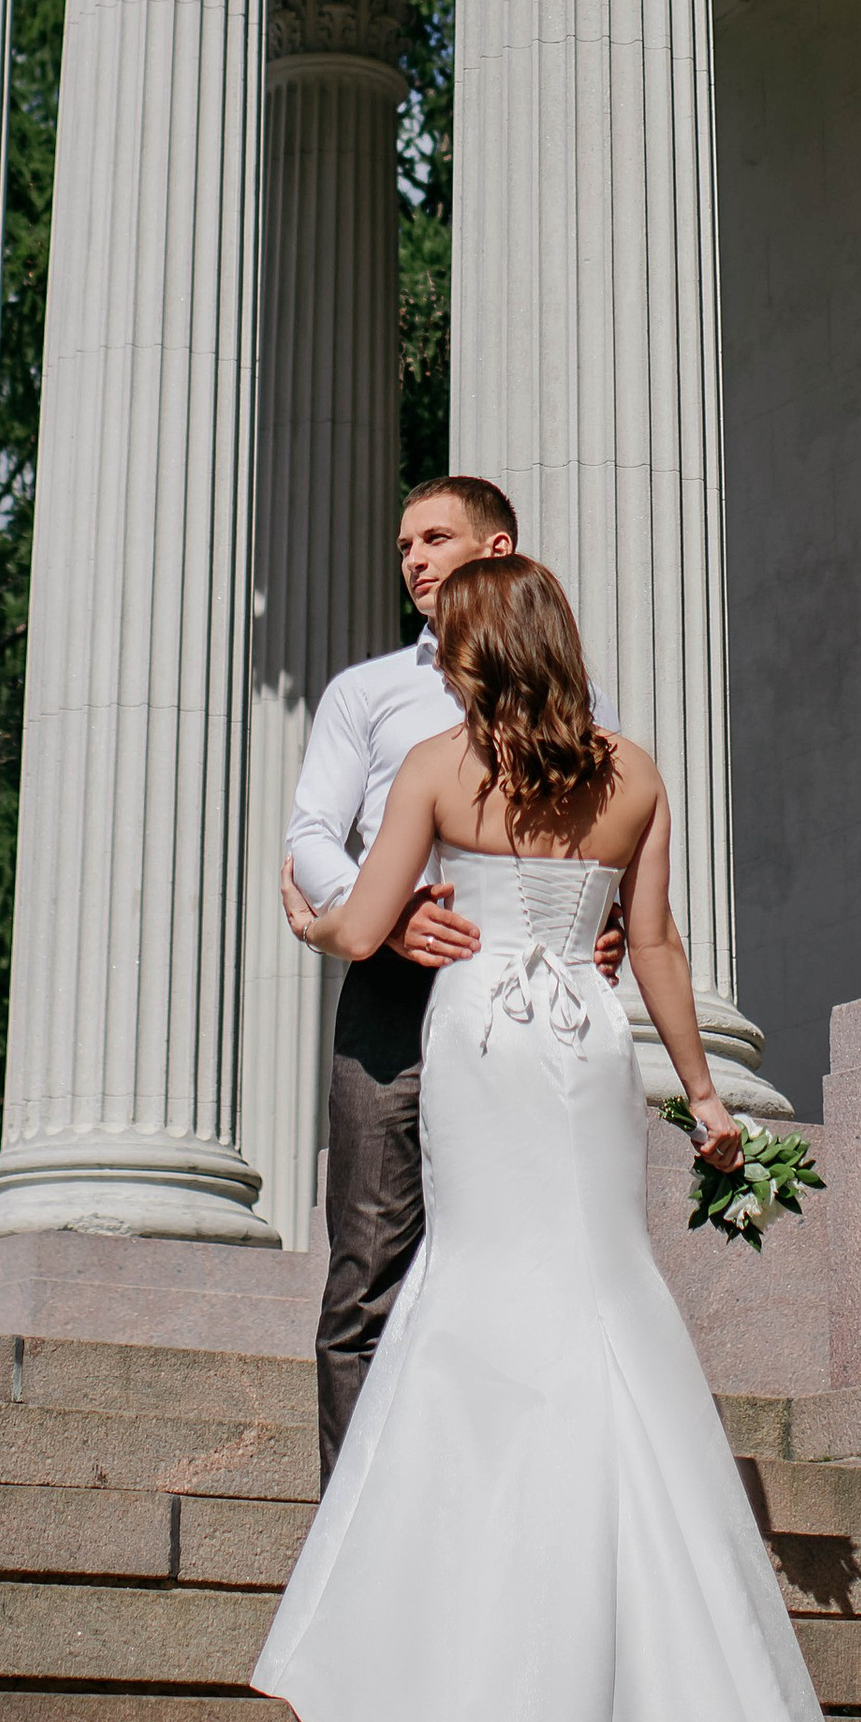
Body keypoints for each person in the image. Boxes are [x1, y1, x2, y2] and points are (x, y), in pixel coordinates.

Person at [254, 552, 861, 1722]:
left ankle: (461, 1646)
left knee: (471, 1302)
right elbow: (661, 945)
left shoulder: (439, 767)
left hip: (479, 1044)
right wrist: (707, 1097)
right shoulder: (633, 773)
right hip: (584, 1050)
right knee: (600, 1299)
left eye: (452, 638)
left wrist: (309, 913)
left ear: (477, 650)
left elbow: (369, 925)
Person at [282, 475, 620, 1481]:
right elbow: (311, 831)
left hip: (523, 1004)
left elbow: (598, 839)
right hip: (395, 995)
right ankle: (355, 1517)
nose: (414, 559)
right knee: (367, 1267)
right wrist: (381, 919)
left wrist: (594, 930)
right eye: (403, 546)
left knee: (524, 1251)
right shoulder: (367, 692)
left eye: (434, 538)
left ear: (496, 547)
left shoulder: (578, 701)